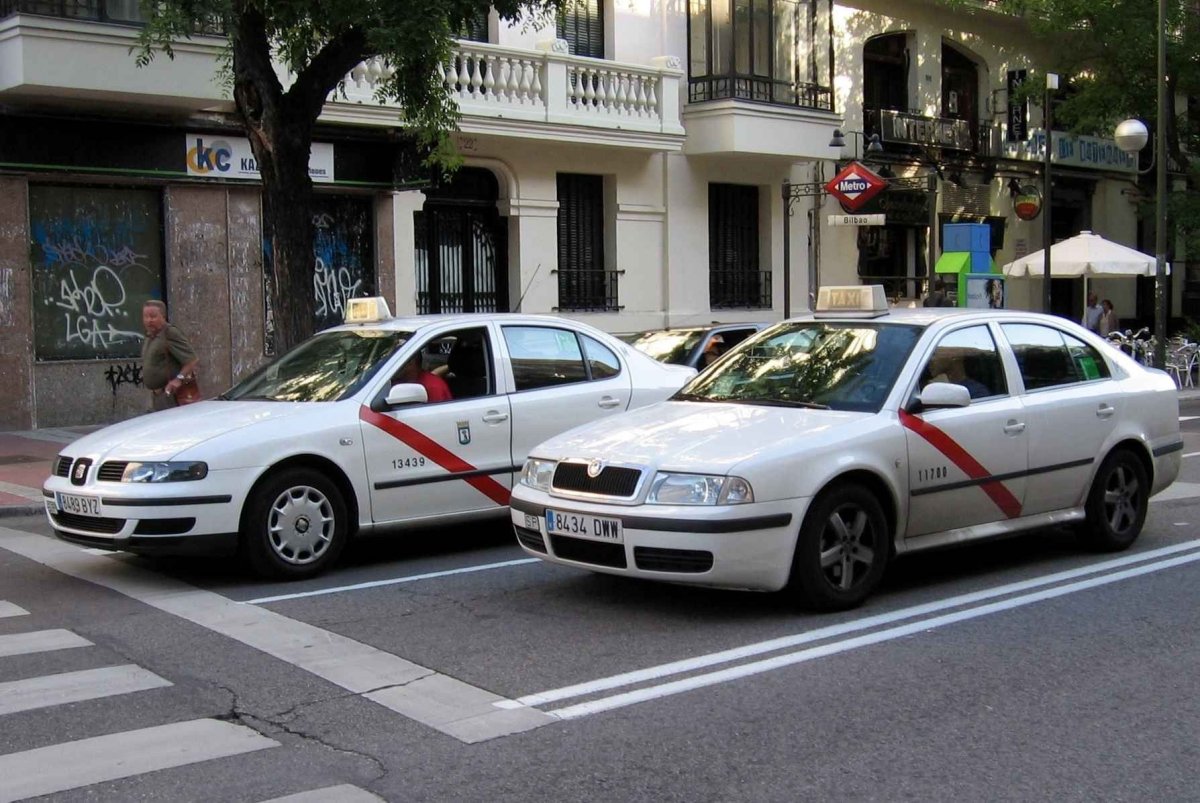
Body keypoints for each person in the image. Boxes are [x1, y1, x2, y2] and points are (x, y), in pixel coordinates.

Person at [141, 300, 199, 412]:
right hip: (156, 396)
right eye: (146, 317)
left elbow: (192, 360)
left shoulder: (170, 333)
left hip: (170, 395)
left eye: (153, 316)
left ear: (163, 316)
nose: (149, 320)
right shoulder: (150, 336)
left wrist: (178, 379)